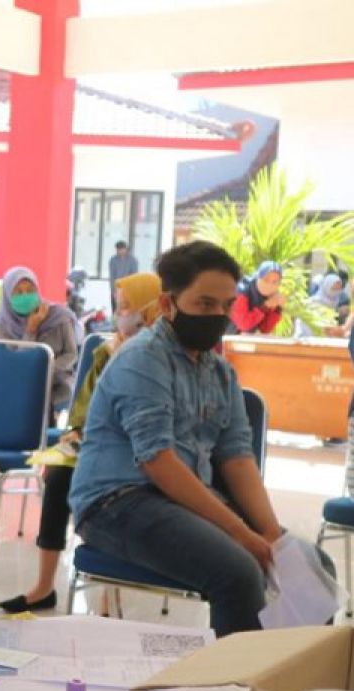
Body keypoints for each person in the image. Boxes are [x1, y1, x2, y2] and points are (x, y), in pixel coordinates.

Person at [69, 242, 293, 636]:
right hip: (117, 503)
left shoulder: (220, 373)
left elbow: (237, 457)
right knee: (238, 570)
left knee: (308, 566)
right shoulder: (143, 359)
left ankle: (284, 684)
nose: (217, 317)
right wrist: (242, 534)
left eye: (225, 306)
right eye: (205, 304)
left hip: (180, 501)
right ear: (168, 304)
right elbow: (158, 461)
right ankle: (235, 690)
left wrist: (270, 531)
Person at [0, 272, 163, 613]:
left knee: (101, 486)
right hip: (97, 445)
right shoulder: (107, 350)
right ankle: (44, 586)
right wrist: (76, 431)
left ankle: (106, 593)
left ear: (151, 310)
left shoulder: (163, 357)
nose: (121, 315)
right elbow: (85, 406)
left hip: (139, 454)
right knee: (58, 476)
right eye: (119, 307)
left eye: (128, 307)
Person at [0, 265, 80, 409]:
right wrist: (31, 330)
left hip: (57, 383)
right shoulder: (2, 325)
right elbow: (16, 364)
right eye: (18, 292)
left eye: (29, 290)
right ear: (8, 295)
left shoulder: (59, 316)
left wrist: (44, 371)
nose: (25, 295)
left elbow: (71, 354)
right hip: (19, 386)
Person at [230, 260, 285, 334]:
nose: (269, 285)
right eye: (266, 279)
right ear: (258, 277)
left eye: (275, 282)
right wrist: (264, 306)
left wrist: (277, 309)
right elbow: (243, 325)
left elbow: (264, 329)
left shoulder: (270, 295)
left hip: (245, 340)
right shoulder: (241, 291)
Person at [108, 241, 138, 308]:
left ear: (126, 249)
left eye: (121, 249)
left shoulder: (133, 260)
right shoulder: (113, 260)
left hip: (128, 290)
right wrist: (113, 291)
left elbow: (134, 276)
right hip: (117, 289)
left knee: (127, 312)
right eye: (118, 250)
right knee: (115, 311)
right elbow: (112, 276)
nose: (119, 251)